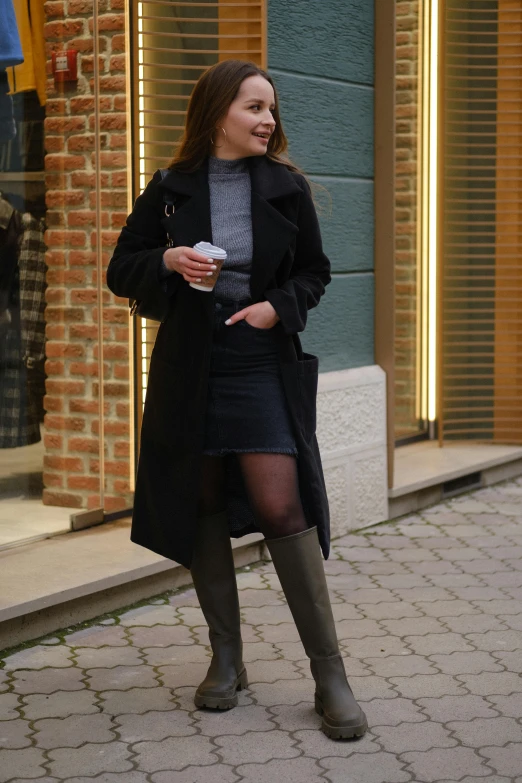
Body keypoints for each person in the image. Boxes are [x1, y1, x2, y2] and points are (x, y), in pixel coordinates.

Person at [107, 59, 367, 740]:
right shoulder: (170, 189)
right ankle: (227, 658)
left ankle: (328, 672)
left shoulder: (286, 187)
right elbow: (119, 268)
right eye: (254, 107)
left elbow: (315, 271)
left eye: (272, 109)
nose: (268, 120)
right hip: (189, 366)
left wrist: (275, 309)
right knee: (202, 501)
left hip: (257, 360)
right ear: (218, 111)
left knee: (283, 503)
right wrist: (167, 261)